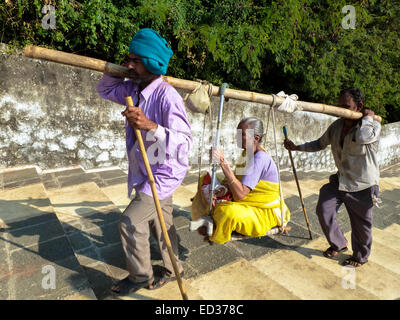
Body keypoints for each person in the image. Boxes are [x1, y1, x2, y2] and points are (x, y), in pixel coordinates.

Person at [96, 28, 192, 294]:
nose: (128, 65)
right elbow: (104, 89)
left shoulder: (167, 96)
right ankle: (174, 268)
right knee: (162, 222)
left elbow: (184, 144)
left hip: (164, 171)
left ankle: (140, 277)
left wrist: (150, 125)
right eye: (127, 59)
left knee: (129, 221)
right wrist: (117, 69)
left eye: (134, 61)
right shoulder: (132, 87)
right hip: (147, 167)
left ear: (151, 64)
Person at [284, 88, 381, 267]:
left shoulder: (372, 125)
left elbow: (362, 137)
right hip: (340, 180)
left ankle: (360, 257)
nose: (341, 111)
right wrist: (297, 147)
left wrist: (367, 118)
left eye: (346, 107)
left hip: (363, 186)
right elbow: (320, 143)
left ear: (359, 106)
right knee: (324, 209)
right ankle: (339, 243)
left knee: (361, 226)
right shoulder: (337, 126)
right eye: (339, 107)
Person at [191, 117, 291, 244]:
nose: (237, 137)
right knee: (205, 180)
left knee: (226, 212)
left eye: (241, 134)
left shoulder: (259, 159)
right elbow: (236, 180)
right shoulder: (247, 153)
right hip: (247, 200)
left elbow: (239, 195)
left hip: (263, 211)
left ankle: (217, 233)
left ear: (256, 138)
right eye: (237, 133)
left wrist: (223, 162)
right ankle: (213, 218)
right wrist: (224, 190)